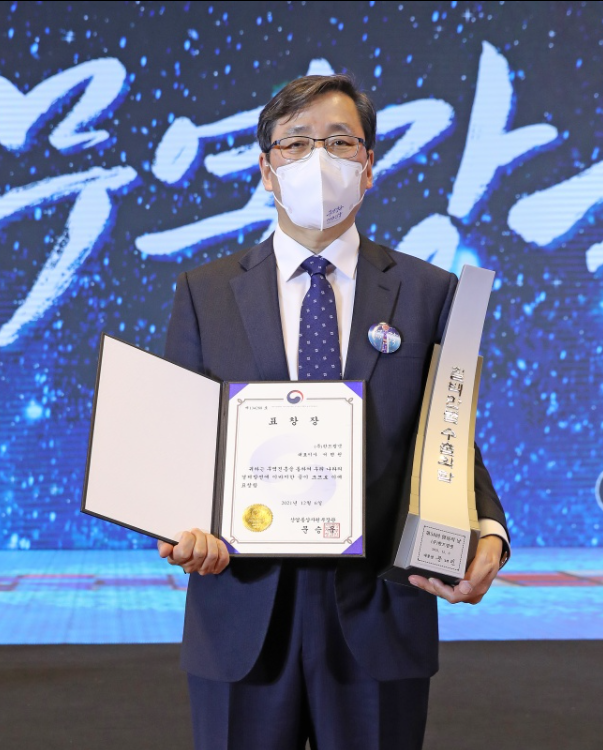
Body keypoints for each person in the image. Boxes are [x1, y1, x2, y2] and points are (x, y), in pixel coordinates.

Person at [157, 73, 510, 750]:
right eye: (295, 143)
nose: (318, 160)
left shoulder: (429, 292)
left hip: (379, 608)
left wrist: (487, 527)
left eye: (340, 142)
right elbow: (181, 441)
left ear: (368, 167)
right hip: (242, 605)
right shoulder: (204, 293)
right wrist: (174, 524)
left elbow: (447, 432)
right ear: (267, 170)